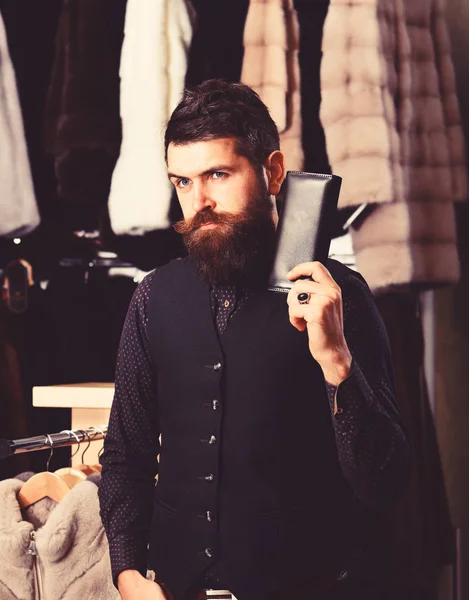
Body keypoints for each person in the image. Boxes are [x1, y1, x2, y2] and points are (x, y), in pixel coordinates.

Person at [98, 79, 410, 600]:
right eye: (182, 182)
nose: (199, 202)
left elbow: (385, 483)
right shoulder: (153, 297)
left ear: (273, 171)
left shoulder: (339, 296)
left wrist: (336, 361)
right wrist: (127, 572)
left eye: (217, 175)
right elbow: (125, 454)